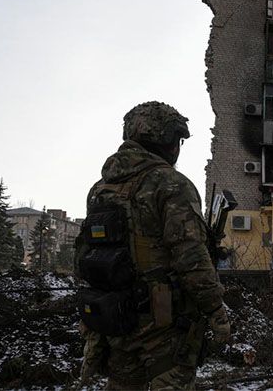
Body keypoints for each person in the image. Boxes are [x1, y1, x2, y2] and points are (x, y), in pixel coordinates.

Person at [74, 101, 230, 390]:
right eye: (178, 140)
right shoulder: (170, 184)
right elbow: (191, 258)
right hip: (163, 329)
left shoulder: (100, 189)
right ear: (166, 140)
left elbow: (83, 258)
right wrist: (216, 312)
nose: (178, 148)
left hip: (117, 319)